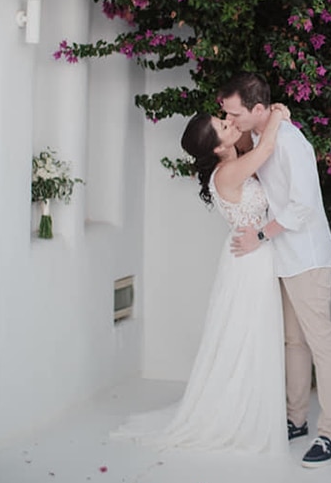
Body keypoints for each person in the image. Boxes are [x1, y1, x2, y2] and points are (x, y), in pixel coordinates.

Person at [112, 103, 290, 455]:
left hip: (251, 254)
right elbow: (267, 148)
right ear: (216, 147)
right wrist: (278, 118)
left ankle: (250, 406)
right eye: (224, 126)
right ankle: (237, 414)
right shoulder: (227, 173)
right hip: (248, 259)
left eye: (225, 119)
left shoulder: (233, 163)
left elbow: (262, 155)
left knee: (250, 334)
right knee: (245, 335)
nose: (230, 123)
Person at [219, 72, 331, 468]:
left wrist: (259, 234)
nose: (231, 119)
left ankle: (330, 433)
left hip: (306, 256)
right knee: (293, 343)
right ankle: (296, 419)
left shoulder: (290, 142)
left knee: (320, 343)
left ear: (258, 109)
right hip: (282, 256)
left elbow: (303, 204)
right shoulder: (259, 137)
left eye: (235, 113)